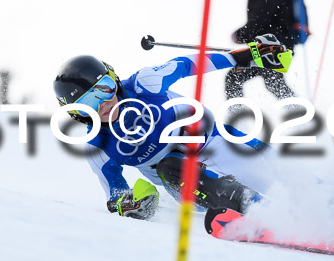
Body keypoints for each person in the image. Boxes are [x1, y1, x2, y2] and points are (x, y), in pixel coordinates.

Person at [53, 34, 292, 220]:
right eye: (87, 104)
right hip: (189, 187)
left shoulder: (145, 84)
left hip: (218, 141)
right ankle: (255, 209)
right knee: (170, 164)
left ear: (113, 79)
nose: (103, 104)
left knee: (289, 174)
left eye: (103, 88)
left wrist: (247, 56)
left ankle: (326, 205)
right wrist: (133, 205)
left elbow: (187, 65)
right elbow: (116, 197)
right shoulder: (98, 147)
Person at [227, 0, 298, 101]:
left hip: (275, 45)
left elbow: (263, 16)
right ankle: (238, 119)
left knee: (270, 80)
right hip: (266, 46)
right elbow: (260, 20)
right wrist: (246, 35)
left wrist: (243, 33)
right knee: (235, 77)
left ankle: (302, 115)